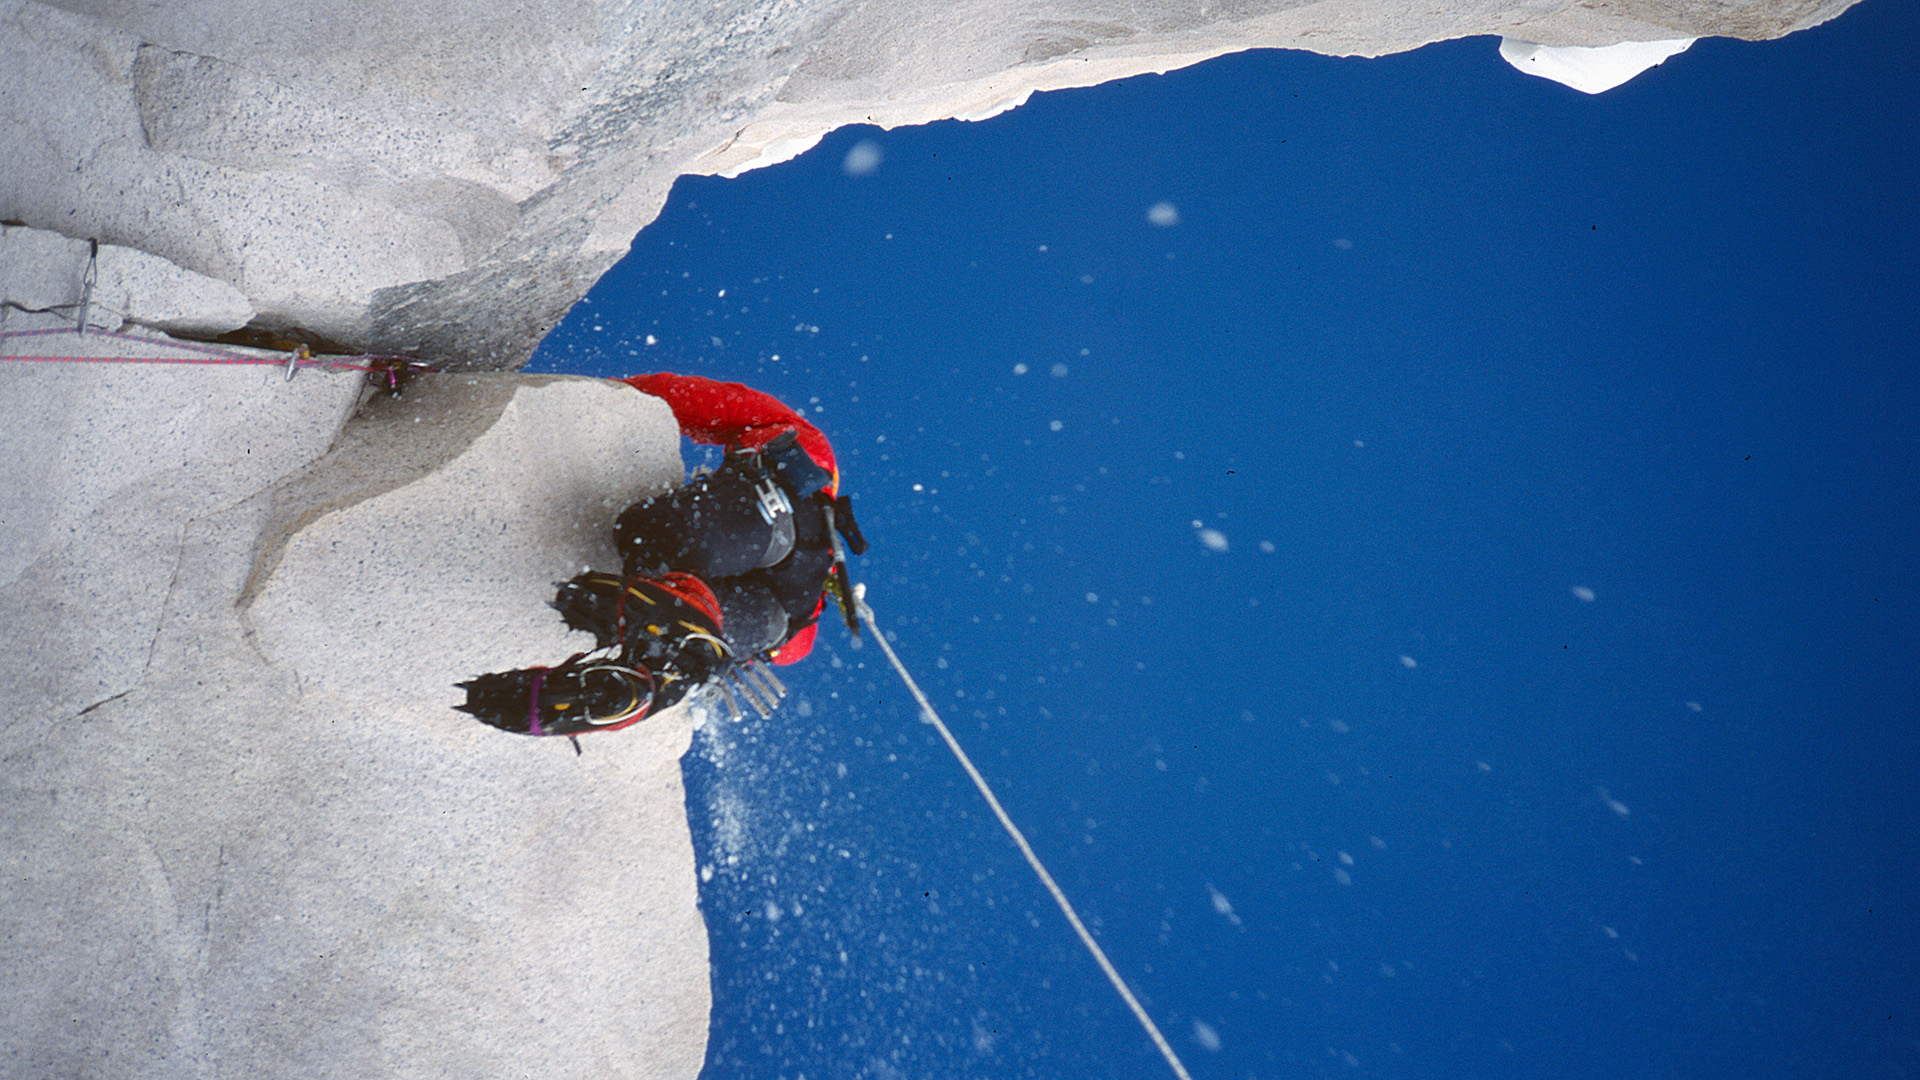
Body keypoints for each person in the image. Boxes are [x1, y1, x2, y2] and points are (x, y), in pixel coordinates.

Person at [457, 372, 866, 740]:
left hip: (778, 514)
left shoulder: (814, 451)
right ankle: (662, 669)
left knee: (650, 534)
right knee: (676, 614)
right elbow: (793, 650)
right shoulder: (810, 612)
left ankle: (685, 635)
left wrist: (612, 395)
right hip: (786, 619)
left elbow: (700, 401)